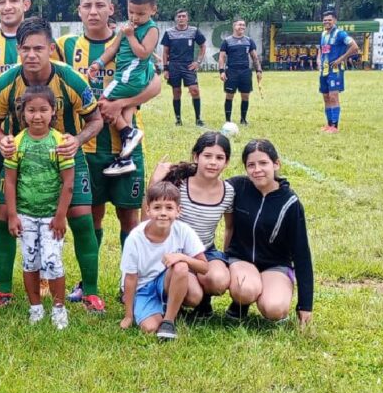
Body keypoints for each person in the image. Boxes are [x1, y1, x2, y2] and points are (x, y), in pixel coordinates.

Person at [0, 17, 104, 312]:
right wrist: (2, 139)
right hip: (22, 160)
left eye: (38, 48)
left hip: (65, 157)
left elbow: (96, 120)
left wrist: (77, 140)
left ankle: (91, 293)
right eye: (25, 49)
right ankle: (3, 290)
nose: (31, 55)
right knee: (4, 216)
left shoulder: (71, 79)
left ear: (50, 48)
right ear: (18, 49)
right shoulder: (5, 83)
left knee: (82, 218)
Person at [58, 0, 160, 305]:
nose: (93, 11)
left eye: (100, 5)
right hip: (86, 149)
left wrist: (121, 104)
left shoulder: (132, 38)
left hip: (124, 147)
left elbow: (156, 84)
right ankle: (87, 283)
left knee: (129, 217)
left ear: (112, 9)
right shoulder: (66, 45)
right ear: (78, 10)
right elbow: (33, 54)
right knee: (93, 216)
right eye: (87, 6)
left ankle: (127, 283)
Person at [4, 86, 76, 329]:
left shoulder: (60, 142)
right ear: (22, 113)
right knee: (30, 262)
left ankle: (59, 309)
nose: (37, 116)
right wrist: (12, 215)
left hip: (51, 217)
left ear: (53, 111)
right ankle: (35, 307)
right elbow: (10, 182)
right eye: (31, 110)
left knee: (52, 261)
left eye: (43, 110)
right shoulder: (17, 143)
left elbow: (68, 182)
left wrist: (60, 216)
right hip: (25, 215)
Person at [224, 140, 313, 325]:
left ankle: (273, 291)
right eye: (251, 165)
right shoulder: (238, 187)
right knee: (244, 289)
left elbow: (302, 253)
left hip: (275, 265)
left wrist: (305, 305)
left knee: (275, 309)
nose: (257, 169)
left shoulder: (290, 202)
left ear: (276, 164)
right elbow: (206, 185)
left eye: (263, 163)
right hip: (241, 259)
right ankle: (240, 303)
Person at [147, 132, 234, 318]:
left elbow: (230, 227)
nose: (213, 162)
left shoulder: (228, 192)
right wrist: (154, 182)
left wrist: (226, 257)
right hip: (174, 251)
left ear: (226, 162)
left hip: (205, 251)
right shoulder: (178, 186)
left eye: (219, 158)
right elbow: (147, 220)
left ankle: (204, 301)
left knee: (218, 280)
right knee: (193, 296)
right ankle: (174, 299)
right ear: (196, 157)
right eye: (207, 156)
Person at [87, 0, 160, 176]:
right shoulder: (127, 27)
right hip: (130, 77)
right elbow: (113, 48)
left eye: (141, 13)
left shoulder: (151, 29)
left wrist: (131, 36)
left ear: (153, 10)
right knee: (127, 110)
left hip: (129, 77)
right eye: (131, 12)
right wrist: (98, 63)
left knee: (102, 102)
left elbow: (143, 53)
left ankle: (129, 132)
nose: (135, 17)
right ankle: (126, 155)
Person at [119, 182, 208, 340]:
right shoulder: (135, 238)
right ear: (148, 210)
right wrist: (128, 316)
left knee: (183, 271)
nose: (163, 213)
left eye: (169, 208)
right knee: (150, 327)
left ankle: (169, 321)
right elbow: (131, 278)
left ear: (178, 211)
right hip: (143, 286)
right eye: (157, 207)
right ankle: (164, 306)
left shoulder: (183, 230)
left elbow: (204, 267)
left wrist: (182, 257)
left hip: (167, 280)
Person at [161, 9, 207, 126]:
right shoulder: (169, 32)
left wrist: (198, 62)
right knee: (176, 92)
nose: (181, 18)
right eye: (179, 16)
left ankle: (198, 119)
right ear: (176, 18)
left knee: (194, 90)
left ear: (187, 18)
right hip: (174, 65)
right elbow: (165, 52)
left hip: (188, 66)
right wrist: (165, 69)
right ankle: (178, 119)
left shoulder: (194, 31)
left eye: (183, 16)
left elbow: (203, 46)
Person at [317, 11, 359, 133]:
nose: (327, 22)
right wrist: (318, 59)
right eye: (325, 20)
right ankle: (329, 124)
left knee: (333, 96)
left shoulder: (340, 34)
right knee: (326, 97)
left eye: (329, 20)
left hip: (335, 71)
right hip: (324, 70)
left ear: (335, 20)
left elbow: (355, 47)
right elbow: (321, 49)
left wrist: (341, 59)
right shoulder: (323, 34)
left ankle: (335, 126)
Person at [218, 18, 262, 126]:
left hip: (245, 72)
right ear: (234, 26)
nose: (242, 27)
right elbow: (222, 57)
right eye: (239, 24)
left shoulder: (249, 41)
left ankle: (243, 120)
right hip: (231, 72)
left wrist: (259, 70)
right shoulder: (227, 41)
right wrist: (222, 71)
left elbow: (254, 57)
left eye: (243, 25)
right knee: (229, 96)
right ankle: (228, 121)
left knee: (245, 96)